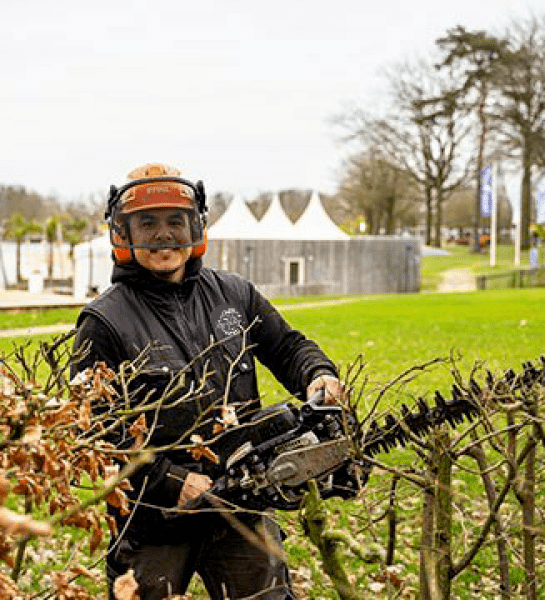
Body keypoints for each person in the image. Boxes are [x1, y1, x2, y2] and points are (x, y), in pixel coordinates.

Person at [71, 163, 349, 600]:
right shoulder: (105, 321)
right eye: (147, 223)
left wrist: (319, 374)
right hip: (154, 516)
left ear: (196, 225)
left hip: (242, 500)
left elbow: (289, 347)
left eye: (174, 222)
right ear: (122, 234)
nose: (163, 236)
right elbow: (95, 428)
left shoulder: (234, 294)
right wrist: (170, 479)